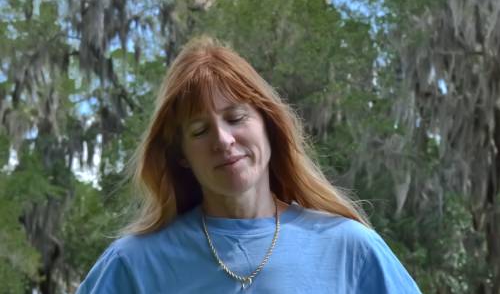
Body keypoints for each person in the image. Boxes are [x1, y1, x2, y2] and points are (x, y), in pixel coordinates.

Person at [77, 37, 421, 293]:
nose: (223, 140)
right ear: (180, 154)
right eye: (199, 130)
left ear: (268, 125)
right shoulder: (135, 265)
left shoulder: (350, 249)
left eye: (236, 118)